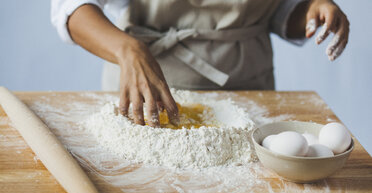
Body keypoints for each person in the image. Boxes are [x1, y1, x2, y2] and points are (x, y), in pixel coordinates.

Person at [51, 0, 349, 127]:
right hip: (148, 93)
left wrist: (313, 9)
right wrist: (126, 49)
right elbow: (70, 7)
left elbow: (277, 10)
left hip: (249, 92)